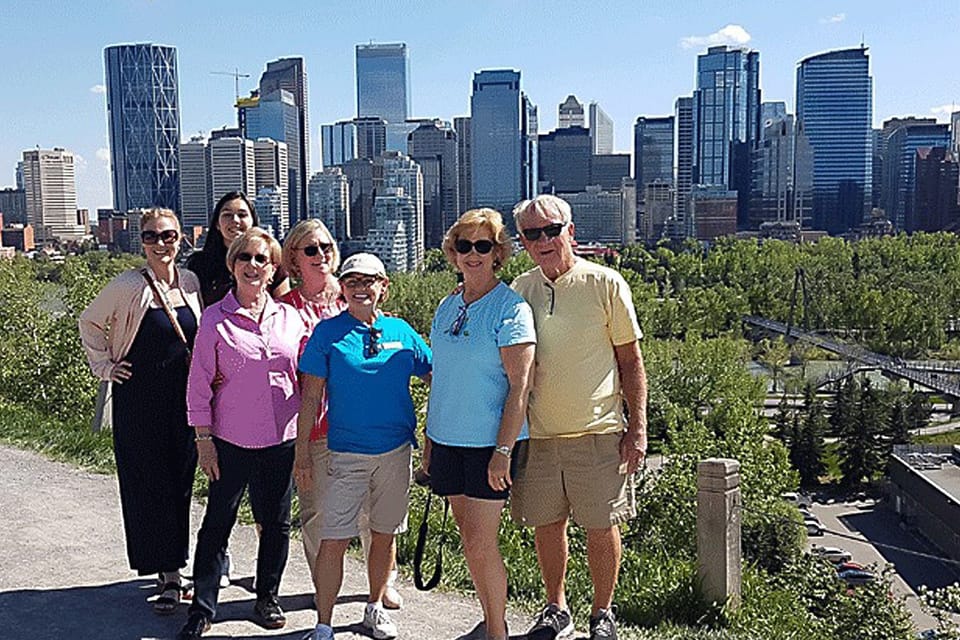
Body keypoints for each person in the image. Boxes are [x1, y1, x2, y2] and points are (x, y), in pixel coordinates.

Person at [509, 195, 647, 640]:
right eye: (534, 233)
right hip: (540, 435)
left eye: (552, 230)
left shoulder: (606, 284)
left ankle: (602, 612)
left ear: (570, 230)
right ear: (524, 242)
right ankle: (556, 607)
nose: (544, 240)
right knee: (547, 525)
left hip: (598, 432)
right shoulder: (519, 290)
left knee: (600, 525)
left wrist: (638, 429)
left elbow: (631, 362)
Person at [296, 253, 432, 640]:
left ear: (383, 287)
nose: (360, 288)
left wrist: (439, 437)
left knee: (384, 534)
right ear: (342, 288)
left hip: (395, 452)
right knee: (334, 538)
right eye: (351, 281)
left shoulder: (402, 332)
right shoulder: (328, 333)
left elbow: (436, 376)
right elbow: (310, 398)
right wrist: (301, 452)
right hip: (346, 453)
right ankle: (323, 624)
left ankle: (374, 607)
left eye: (368, 281)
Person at [177, 229, 304, 640]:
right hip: (230, 439)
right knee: (218, 523)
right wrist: (203, 439)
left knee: (277, 522)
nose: (253, 265)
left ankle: (267, 596)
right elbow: (197, 384)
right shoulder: (215, 318)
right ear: (232, 265)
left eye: (262, 259)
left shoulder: (290, 318)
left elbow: (309, 371)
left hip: (281, 437)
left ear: (272, 269)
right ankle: (202, 607)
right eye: (245, 257)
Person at [79, 208, 202, 614]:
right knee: (149, 486)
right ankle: (166, 574)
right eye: (151, 236)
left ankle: (177, 563)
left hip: (183, 401)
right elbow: (89, 323)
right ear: (141, 242)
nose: (161, 243)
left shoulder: (190, 282)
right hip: (140, 400)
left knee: (181, 483)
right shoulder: (127, 285)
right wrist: (105, 366)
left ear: (181, 238)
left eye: (168, 235)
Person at [423, 209, 536, 640]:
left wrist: (502, 452)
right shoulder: (447, 305)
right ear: (453, 252)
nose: (473, 254)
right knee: (469, 539)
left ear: (498, 253)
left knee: (481, 542)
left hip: (490, 446)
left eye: (483, 246)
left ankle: (496, 633)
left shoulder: (511, 309)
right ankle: (493, 619)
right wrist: (430, 445)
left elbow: (519, 388)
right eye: (465, 245)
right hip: (448, 440)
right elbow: (442, 380)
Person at [280, 222, 404, 610]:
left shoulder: (351, 296)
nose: (320, 255)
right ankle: (325, 588)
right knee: (317, 511)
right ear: (295, 260)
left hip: (364, 426)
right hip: (315, 427)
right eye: (310, 249)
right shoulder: (285, 309)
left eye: (325, 246)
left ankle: (381, 583)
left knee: (374, 510)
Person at [185, 190, 290, 305]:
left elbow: (283, 307)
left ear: (253, 222)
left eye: (242, 215)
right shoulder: (199, 264)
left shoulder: (271, 260)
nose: (235, 220)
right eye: (227, 215)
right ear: (217, 224)